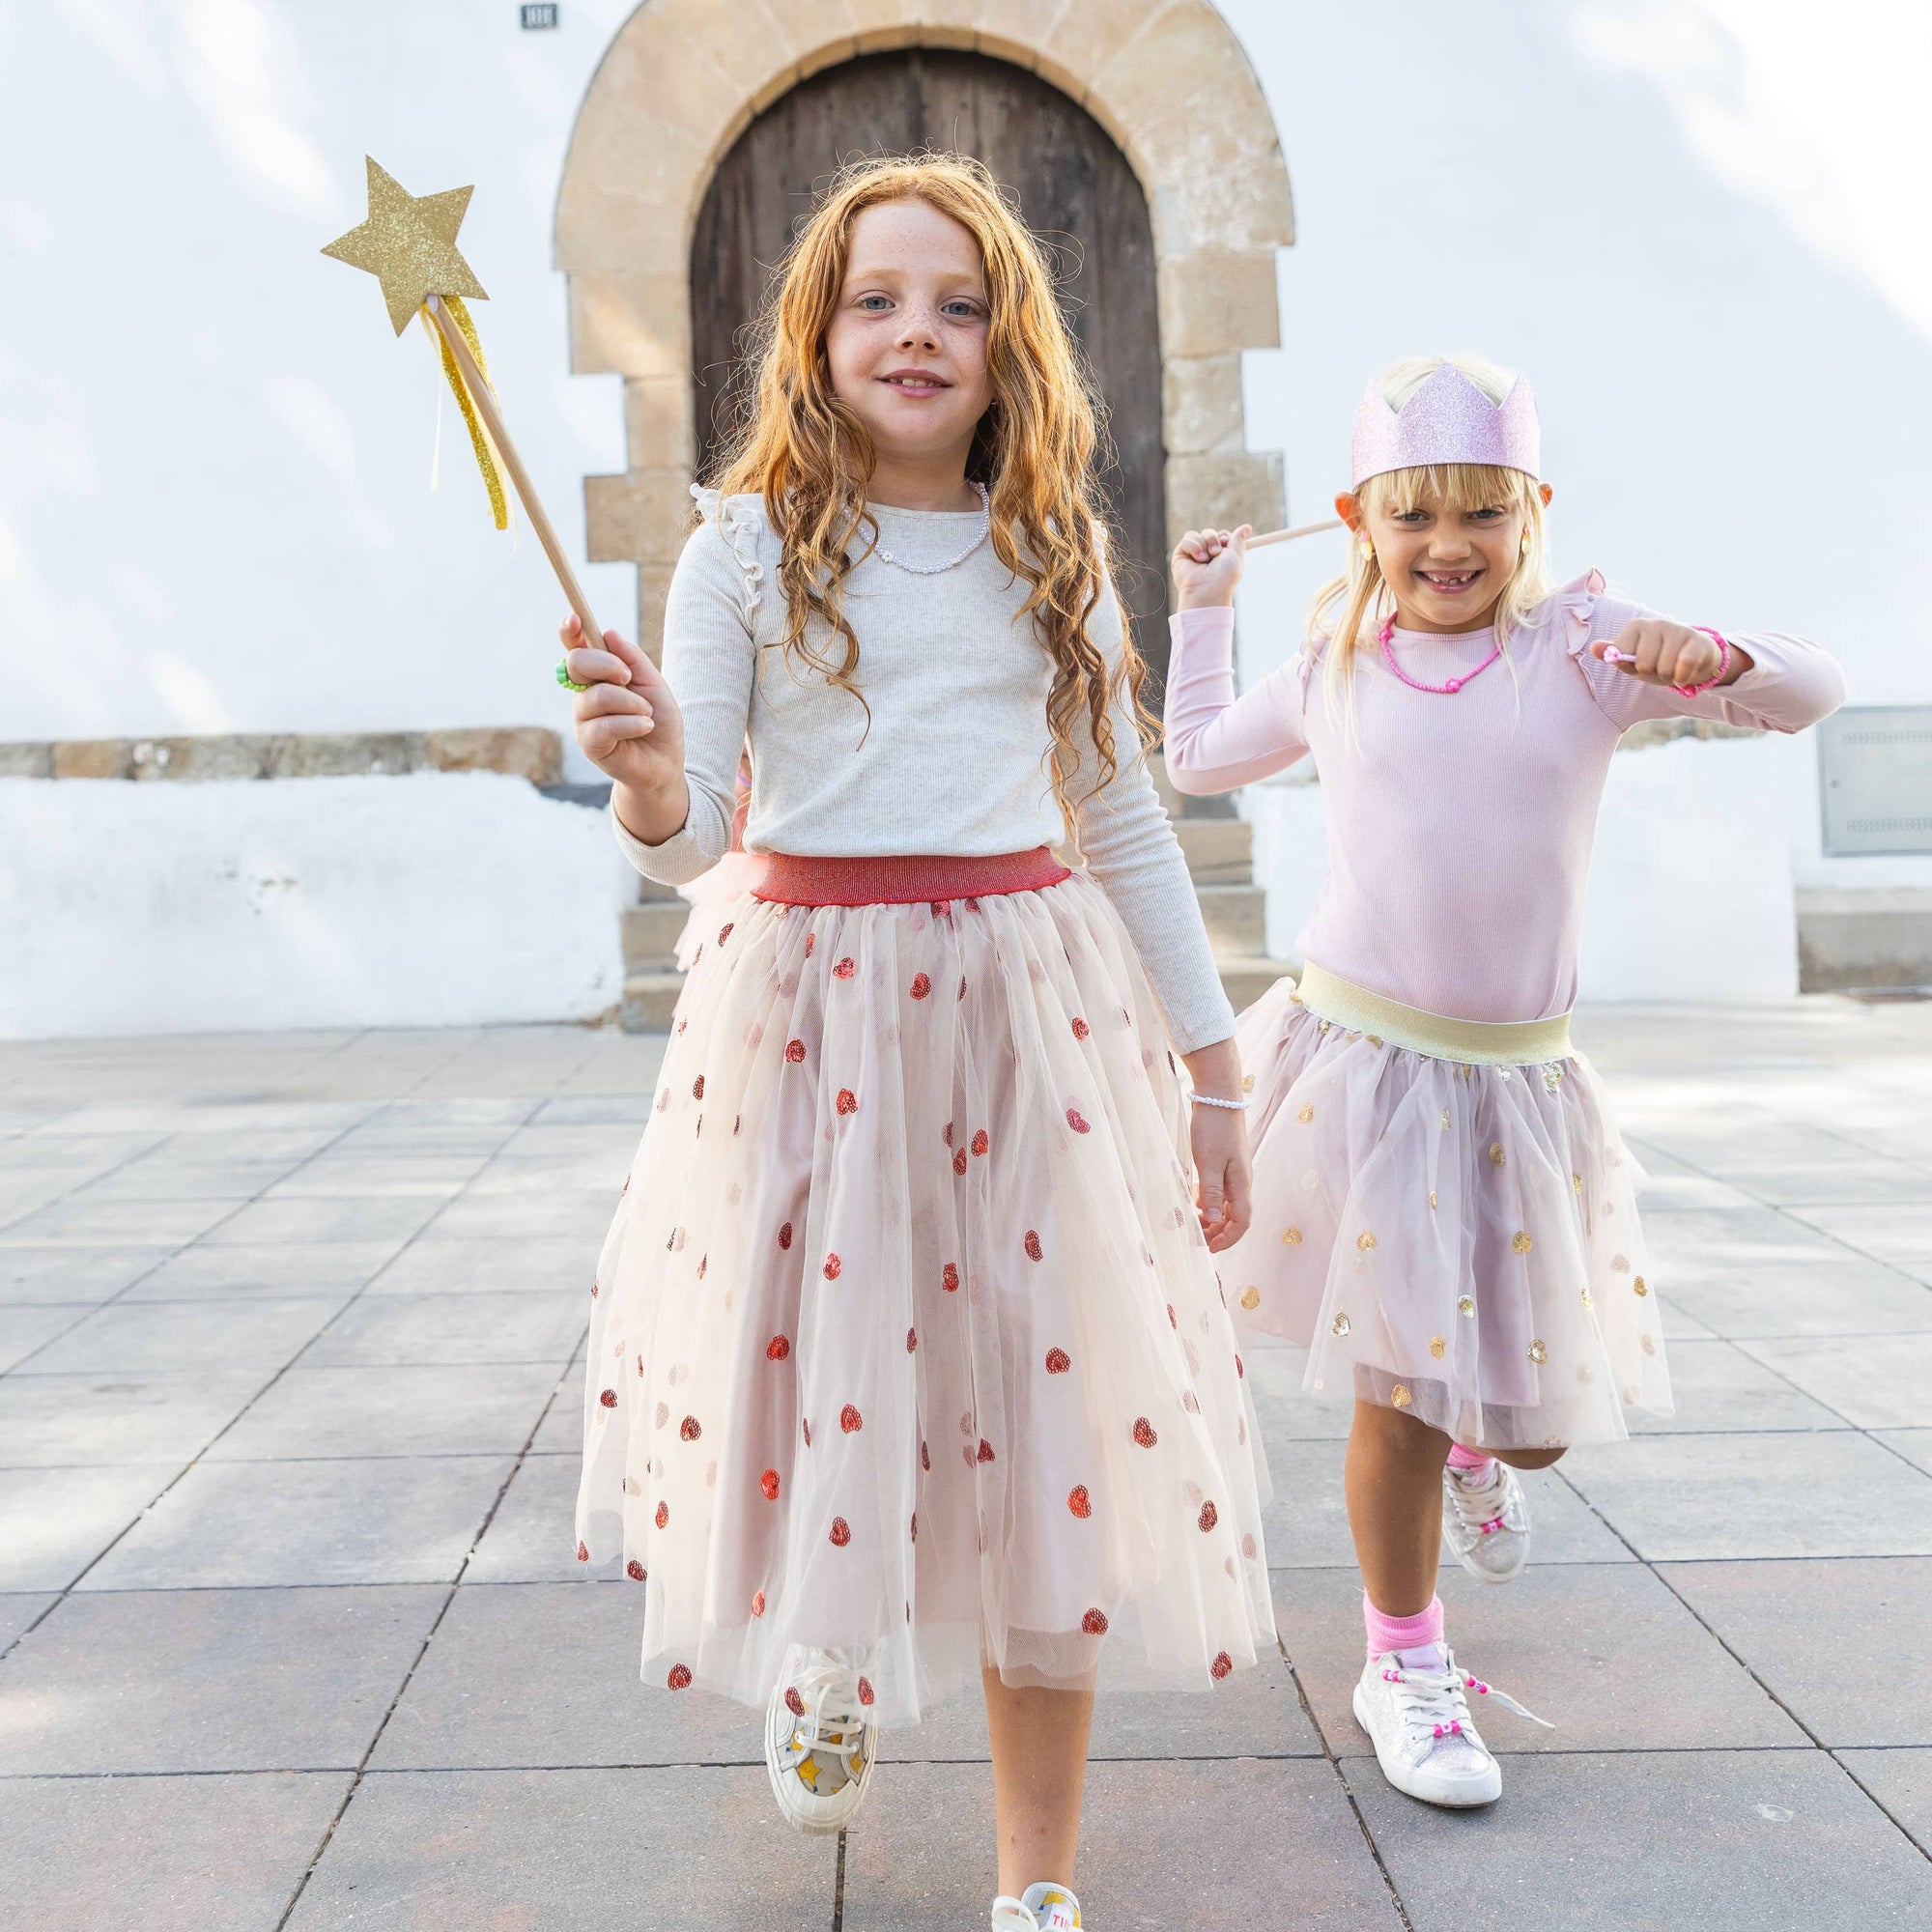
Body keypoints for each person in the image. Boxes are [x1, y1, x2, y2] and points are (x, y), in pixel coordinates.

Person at [562, 155, 1274, 1931]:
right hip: (805, 1016)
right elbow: (690, 827)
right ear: (815, 333)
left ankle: (1038, 1879)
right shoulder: (739, 552)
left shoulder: (1051, 553)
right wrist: (649, 777)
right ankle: (825, 1657)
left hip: (1030, 1020)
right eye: (877, 298)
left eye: (958, 303)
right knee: (821, 1374)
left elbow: (1123, 828)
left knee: (1052, 1416)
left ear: (1010, 343)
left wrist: (1215, 1073)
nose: (916, 332)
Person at [1162, 352, 1844, 1809]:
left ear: (1530, 514)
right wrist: (1201, 610)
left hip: (1516, 1089)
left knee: (1526, 1420)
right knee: (1396, 1395)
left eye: (1481, 512)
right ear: (1362, 524)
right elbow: (1200, 761)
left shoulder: (1583, 653)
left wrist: (1713, 654)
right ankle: (1403, 1660)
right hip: (1364, 1072)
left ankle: (1486, 1449)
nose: (1447, 545)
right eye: (1413, 518)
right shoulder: (1338, 666)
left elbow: (1813, 692)